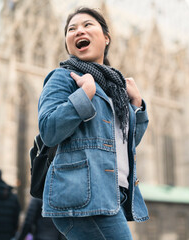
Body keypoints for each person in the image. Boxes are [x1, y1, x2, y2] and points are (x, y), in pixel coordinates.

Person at [38, 7, 149, 240]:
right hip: (83, 194)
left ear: (106, 38)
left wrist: (136, 106)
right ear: (68, 43)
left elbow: (124, 144)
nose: (79, 31)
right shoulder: (64, 77)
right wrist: (83, 95)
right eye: (71, 29)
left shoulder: (115, 89)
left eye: (87, 25)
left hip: (109, 193)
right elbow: (48, 130)